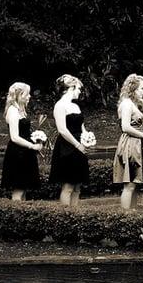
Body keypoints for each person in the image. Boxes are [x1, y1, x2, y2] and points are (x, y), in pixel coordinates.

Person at [113, 74, 143, 210]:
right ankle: (126, 216)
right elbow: (125, 127)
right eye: (141, 88)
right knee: (130, 183)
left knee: (135, 183)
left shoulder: (134, 104)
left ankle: (133, 213)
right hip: (130, 144)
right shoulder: (126, 104)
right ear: (133, 89)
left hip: (137, 144)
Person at [49, 75, 90, 206]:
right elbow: (62, 130)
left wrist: (87, 139)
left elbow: (82, 126)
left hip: (80, 146)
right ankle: (65, 217)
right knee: (68, 186)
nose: (79, 91)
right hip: (67, 147)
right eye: (78, 88)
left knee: (78, 186)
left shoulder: (76, 106)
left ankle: (75, 215)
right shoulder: (59, 106)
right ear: (70, 88)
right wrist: (77, 145)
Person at [1, 82, 42, 201]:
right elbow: (14, 137)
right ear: (19, 95)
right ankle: (15, 216)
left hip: (25, 152)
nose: (29, 96)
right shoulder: (13, 111)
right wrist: (32, 146)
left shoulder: (21, 110)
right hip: (17, 153)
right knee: (18, 189)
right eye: (27, 94)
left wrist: (37, 139)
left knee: (24, 189)